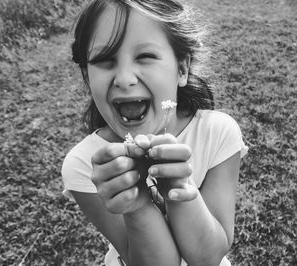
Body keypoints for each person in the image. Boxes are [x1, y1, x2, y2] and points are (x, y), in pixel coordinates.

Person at [61, 0, 248, 265]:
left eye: (145, 56)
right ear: (87, 76)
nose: (124, 79)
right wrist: (136, 205)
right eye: (104, 60)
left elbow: (208, 257)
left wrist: (181, 189)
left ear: (181, 69)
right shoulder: (86, 165)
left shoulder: (218, 134)